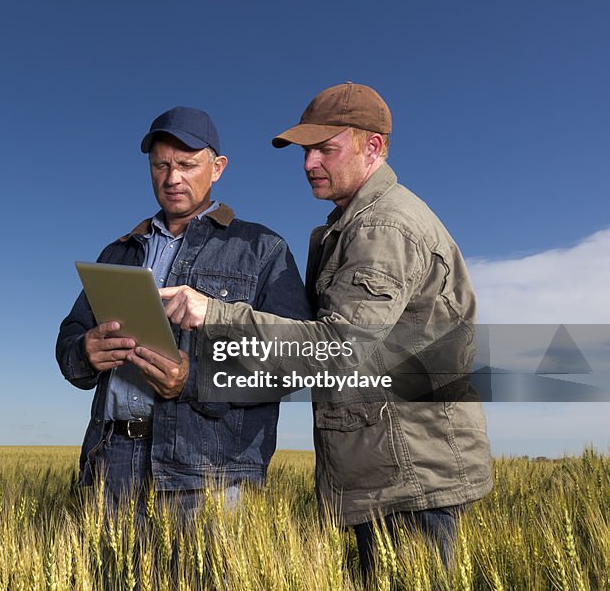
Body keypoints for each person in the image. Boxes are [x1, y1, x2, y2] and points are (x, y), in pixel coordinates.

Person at [159, 83, 493, 575]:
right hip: (388, 469)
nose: (309, 163)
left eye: (325, 149)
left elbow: (339, 350)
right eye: (305, 150)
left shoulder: (385, 228)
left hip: (409, 477)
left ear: (373, 147)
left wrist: (215, 313)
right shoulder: (352, 225)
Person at [55, 106, 311, 519]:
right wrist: (84, 352)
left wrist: (195, 379)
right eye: (161, 165)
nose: (172, 178)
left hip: (207, 474)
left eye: (187, 165)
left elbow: (295, 363)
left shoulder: (263, 249)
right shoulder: (118, 252)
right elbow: (70, 338)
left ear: (218, 168)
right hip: (111, 463)